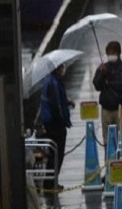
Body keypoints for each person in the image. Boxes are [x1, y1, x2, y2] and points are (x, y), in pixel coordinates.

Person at [39, 63, 74, 192]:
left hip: (50, 123)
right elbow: (55, 106)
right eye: (62, 67)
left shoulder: (51, 81)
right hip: (55, 124)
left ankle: (50, 182)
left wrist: (67, 101)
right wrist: (63, 121)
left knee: (53, 154)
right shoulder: (53, 83)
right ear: (58, 69)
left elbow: (58, 100)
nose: (64, 69)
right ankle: (51, 183)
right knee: (56, 154)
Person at [92, 41, 122, 145]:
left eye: (113, 52)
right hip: (106, 110)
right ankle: (108, 160)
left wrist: (110, 82)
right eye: (108, 53)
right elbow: (97, 85)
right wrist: (102, 74)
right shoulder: (103, 68)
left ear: (118, 53)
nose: (110, 55)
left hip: (121, 110)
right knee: (108, 141)